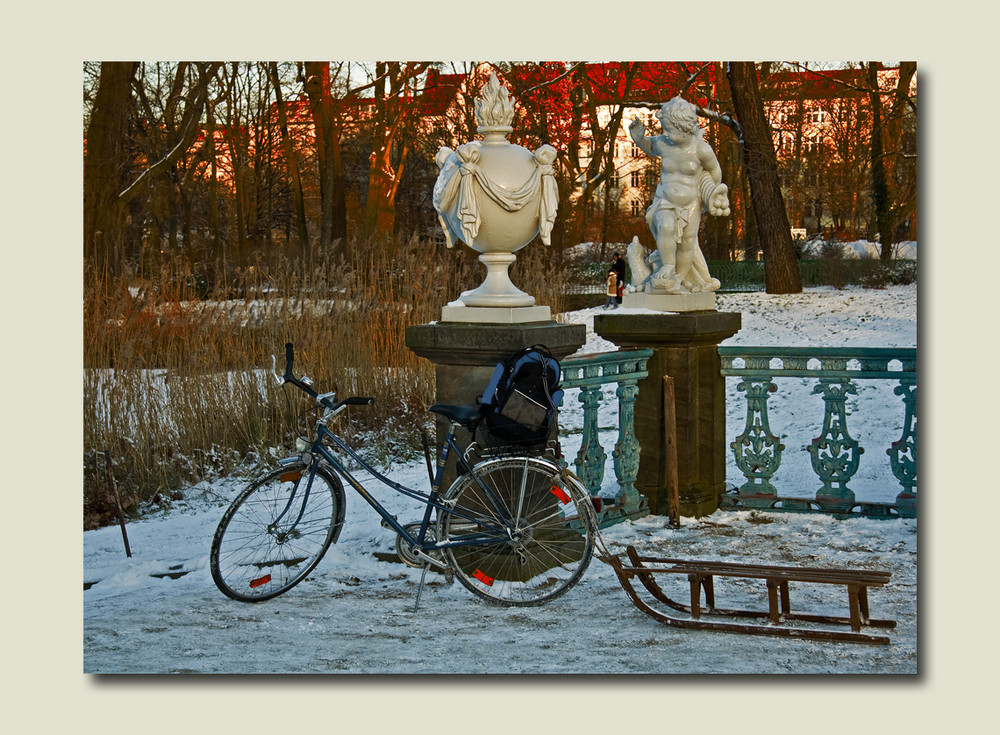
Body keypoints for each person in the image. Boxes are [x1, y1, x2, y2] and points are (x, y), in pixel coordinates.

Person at [628, 97, 730, 293]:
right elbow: (649, 145)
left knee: (687, 243)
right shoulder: (664, 144)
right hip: (664, 201)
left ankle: (679, 279)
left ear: (685, 128)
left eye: (671, 129)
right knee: (665, 225)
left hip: (692, 202)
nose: (665, 133)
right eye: (664, 128)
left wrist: (709, 194)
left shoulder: (701, 149)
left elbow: (715, 172)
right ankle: (667, 266)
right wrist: (639, 138)